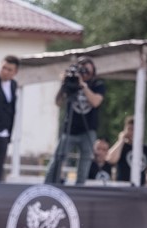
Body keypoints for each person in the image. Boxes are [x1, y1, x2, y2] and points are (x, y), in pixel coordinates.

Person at [44, 56, 106, 185]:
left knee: (85, 161)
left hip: (88, 129)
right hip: (70, 128)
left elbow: (95, 102)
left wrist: (83, 86)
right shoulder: (70, 82)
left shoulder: (97, 84)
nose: (85, 74)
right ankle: (49, 184)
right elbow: (58, 102)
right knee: (58, 158)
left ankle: (80, 187)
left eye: (88, 71)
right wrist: (64, 84)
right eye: (82, 70)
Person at [108, 116, 147, 186]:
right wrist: (121, 140)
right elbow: (111, 159)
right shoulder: (121, 147)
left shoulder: (145, 149)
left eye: (135, 130)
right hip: (122, 186)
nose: (132, 132)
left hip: (140, 187)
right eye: (130, 129)